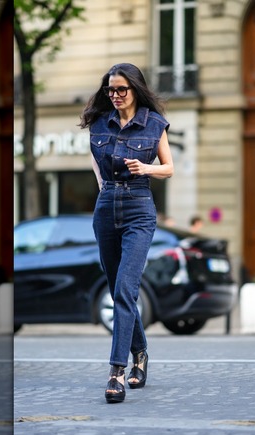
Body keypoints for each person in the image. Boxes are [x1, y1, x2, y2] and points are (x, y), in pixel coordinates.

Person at [79, 63, 174, 403]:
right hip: (106, 209)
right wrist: (105, 189)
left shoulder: (154, 124)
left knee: (124, 289)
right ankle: (141, 352)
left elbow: (169, 167)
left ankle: (116, 371)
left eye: (121, 90)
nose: (115, 96)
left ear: (135, 89)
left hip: (139, 208)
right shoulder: (99, 123)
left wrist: (144, 168)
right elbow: (96, 164)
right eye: (110, 90)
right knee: (116, 287)